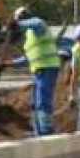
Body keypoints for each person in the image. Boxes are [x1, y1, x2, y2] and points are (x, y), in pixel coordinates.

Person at [9, 7, 60, 136]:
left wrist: (17, 23)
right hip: (38, 71)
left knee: (43, 101)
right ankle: (38, 131)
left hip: (48, 67)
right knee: (35, 103)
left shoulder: (39, 26)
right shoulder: (29, 37)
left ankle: (46, 130)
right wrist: (10, 63)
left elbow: (36, 22)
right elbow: (27, 57)